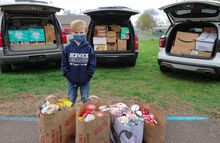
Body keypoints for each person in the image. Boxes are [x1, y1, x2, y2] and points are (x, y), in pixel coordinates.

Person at [61, 19, 96, 103]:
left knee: (85, 99)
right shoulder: (67, 48)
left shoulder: (89, 48)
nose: (79, 34)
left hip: (85, 80)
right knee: (71, 99)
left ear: (85, 32)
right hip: (71, 80)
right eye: (76, 33)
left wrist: (88, 76)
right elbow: (64, 64)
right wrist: (69, 76)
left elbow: (92, 64)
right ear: (71, 32)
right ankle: (70, 115)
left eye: (81, 32)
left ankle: (84, 115)